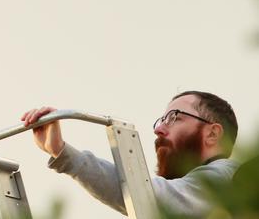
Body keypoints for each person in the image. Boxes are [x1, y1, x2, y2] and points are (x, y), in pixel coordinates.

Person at [21, 91, 239, 217]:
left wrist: (63, 153)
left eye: (175, 117)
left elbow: (149, 197)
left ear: (212, 134)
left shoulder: (229, 177)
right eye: (162, 120)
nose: (159, 129)